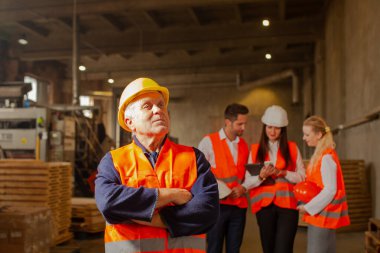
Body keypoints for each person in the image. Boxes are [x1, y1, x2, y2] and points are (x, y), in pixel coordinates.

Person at [95, 77, 220, 253]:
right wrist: (170, 195)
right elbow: (108, 202)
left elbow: (208, 211)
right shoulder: (113, 161)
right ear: (130, 122)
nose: (158, 110)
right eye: (148, 106)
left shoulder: (193, 157)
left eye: (161, 105)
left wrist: (138, 215)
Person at [242, 105, 305, 253]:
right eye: (269, 127)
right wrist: (261, 176)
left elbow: (302, 177)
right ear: (265, 127)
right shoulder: (255, 150)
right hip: (264, 208)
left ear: (283, 129)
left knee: (284, 249)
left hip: (288, 207)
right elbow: (247, 182)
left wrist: (283, 173)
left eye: (277, 128)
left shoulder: (293, 148)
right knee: (268, 248)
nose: (272, 131)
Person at [198, 103, 249, 253]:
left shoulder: (244, 145)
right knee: (214, 248)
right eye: (240, 124)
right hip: (217, 206)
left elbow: (247, 175)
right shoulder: (208, 142)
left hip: (239, 206)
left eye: (245, 124)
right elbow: (200, 172)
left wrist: (243, 188)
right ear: (228, 122)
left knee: (234, 249)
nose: (243, 128)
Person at [298, 115, 350, 253]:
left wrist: (308, 207)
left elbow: (330, 190)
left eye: (307, 134)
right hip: (320, 216)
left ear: (319, 134)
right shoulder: (322, 155)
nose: (304, 138)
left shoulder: (326, 158)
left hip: (323, 217)